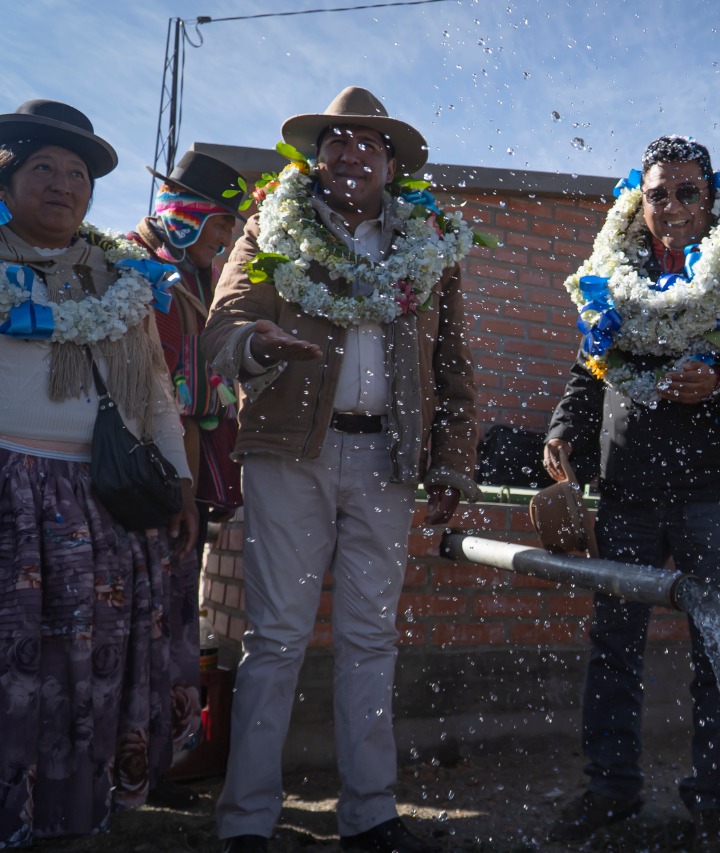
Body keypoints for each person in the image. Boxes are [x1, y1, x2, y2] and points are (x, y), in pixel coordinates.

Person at [204, 86, 481, 853]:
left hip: (387, 458)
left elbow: (454, 363)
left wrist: (452, 464)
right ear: (316, 156)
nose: (352, 151)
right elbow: (223, 325)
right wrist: (257, 344)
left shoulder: (431, 241)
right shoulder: (271, 223)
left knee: (371, 636)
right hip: (289, 452)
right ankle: (246, 820)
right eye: (337, 139)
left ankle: (369, 814)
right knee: (276, 635)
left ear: (392, 164)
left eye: (369, 142)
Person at [543, 135, 720, 853]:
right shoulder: (615, 271)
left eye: (689, 192)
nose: (673, 206)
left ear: (712, 199)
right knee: (614, 647)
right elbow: (589, 370)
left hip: (716, 495)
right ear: (642, 200)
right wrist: (564, 428)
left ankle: (712, 806)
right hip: (626, 492)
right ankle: (611, 790)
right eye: (658, 194)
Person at [0, 99, 198, 844]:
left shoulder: (121, 278)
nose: (63, 183)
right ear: (7, 180)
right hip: (7, 494)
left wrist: (180, 482)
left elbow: (154, 389)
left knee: (83, 670)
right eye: (43, 167)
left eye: (77, 173)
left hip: (99, 501)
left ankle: (65, 817)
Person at [129, 149, 247, 809]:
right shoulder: (135, 271)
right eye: (222, 223)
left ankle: (151, 766)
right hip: (137, 485)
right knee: (134, 625)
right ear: (189, 214)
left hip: (184, 487)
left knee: (168, 623)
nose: (228, 237)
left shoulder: (197, 279)